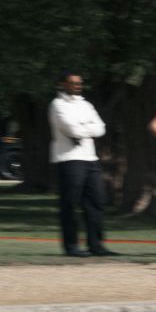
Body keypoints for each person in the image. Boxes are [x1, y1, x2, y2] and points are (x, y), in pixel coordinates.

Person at [50, 70, 115, 258]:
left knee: (96, 202)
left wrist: (82, 128)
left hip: (90, 157)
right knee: (70, 203)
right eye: (73, 83)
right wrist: (87, 128)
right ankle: (71, 246)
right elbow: (70, 128)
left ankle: (96, 245)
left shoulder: (86, 104)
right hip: (68, 158)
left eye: (79, 83)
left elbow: (101, 128)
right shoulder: (57, 104)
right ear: (63, 84)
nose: (77, 86)